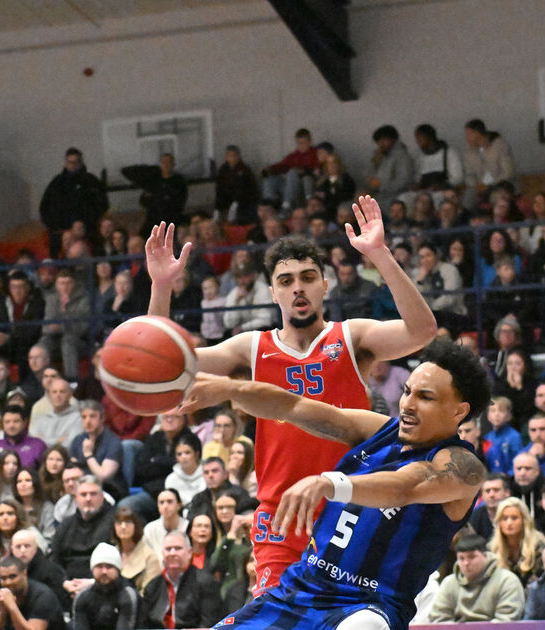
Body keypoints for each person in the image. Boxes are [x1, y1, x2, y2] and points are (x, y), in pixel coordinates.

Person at [145, 195, 437, 595]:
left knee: (347, 618)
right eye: (286, 281)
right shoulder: (250, 348)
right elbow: (163, 362)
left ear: (324, 285)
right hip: (280, 514)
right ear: (273, 292)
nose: (298, 287)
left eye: (308, 277)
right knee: (275, 617)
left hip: (349, 505)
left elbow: (422, 331)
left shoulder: (352, 337)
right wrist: (162, 286)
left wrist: (380, 255)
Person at [175, 338, 489, 629]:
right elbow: (292, 406)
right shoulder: (380, 431)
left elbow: (408, 485)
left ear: (458, 411)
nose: (407, 404)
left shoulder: (463, 468)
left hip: (368, 605)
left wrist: (331, 483)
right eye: (407, 392)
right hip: (301, 589)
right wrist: (230, 389)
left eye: (425, 397)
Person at [428, 533, 525, 622]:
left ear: (485, 556)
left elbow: (507, 621)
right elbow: (439, 619)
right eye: (461, 558)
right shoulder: (449, 583)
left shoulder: (507, 581)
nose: (466, 563)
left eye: (472, 557)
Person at [138, 531, 225, 629]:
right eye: (168, 549)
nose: (172, 553)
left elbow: (210, 624)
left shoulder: (206, 582)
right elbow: (143, 624)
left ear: (190, 553)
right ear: (162, 554)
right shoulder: (153, 586)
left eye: (178, 548)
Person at [39, 148, 107, 259]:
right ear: (66, 163)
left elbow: (102, 205)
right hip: (62, 229)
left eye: (76, 162)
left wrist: (84, 224)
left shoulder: (91, 182)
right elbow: (45, 208)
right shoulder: (57, 184)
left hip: (89, 228)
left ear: (81, 162)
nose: (73, 166)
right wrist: (63, 228)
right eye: (70, 162)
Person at [51, 475, 116, 580]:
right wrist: (64, 582)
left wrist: (92, 582)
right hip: (68, 584)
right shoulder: (66, 525)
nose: (88, 499)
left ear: (102, 496)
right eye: (83, 494)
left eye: (93, 494)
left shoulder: (115, 522)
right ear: (76, 498)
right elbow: (55, 560)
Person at [0, 555, 67, 630]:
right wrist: (2, 614)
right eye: (3, 578)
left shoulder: (43, 596)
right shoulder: (0, 597)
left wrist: (12, 607)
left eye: (12, 576)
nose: (8, 582)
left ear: (24, 573)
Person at [72, 543, 139, 630]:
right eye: (99, 566)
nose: (104, 571)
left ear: (118, 570)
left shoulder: (127, 595)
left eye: (109, 567)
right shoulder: (82, 597)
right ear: (92, 570)